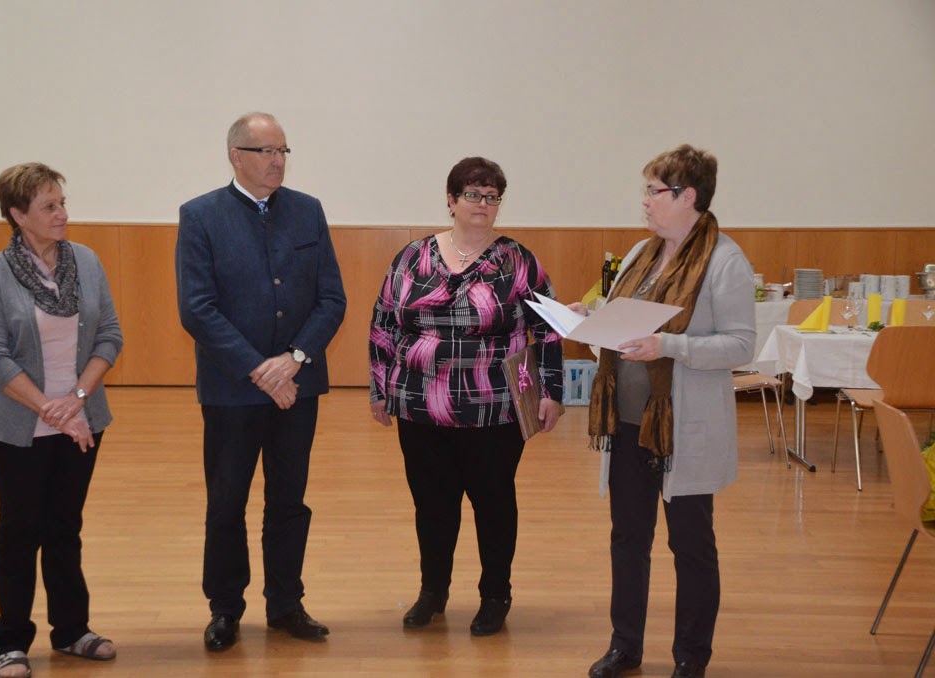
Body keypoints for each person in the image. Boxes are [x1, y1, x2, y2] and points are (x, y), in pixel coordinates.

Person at [576, 145, 754, 678]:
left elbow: (741, 346)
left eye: (654, 191)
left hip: (683, 430)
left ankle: (691, 657)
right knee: (628, 539)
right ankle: (625, 646)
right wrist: (586, 318)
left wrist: (669, 346)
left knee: (691, 546)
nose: (646, 201)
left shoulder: (725, 261)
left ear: (687, 196)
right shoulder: (641, 253)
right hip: (629, 423)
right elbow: (620, 320)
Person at [368, 156, 564, 637]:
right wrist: (379, 387)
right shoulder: (412, 257)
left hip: (494, 406)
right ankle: (432, 592)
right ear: (451, 200)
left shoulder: (518, 261)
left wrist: (552, 392)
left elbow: (550, 329)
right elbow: (384, 321)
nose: (483, 203)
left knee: (494, 504)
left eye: (492, 196)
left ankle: (495, 595)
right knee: (432, 505)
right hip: (419, 404)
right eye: (473, 194)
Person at [176, 112, 347, 650]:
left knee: (289, 500)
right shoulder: (201, 215)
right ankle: (225, 608)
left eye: (283, 151)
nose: (277, 161)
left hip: (298, 384)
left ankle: (286, 604)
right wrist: (260, 369)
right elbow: (197, 309)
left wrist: (293, 359)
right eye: (266, 151)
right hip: (232, 390)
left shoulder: (307, 211)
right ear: (236, 156)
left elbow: (331, 299)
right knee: (227, 502)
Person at [0, 163, 123, 678]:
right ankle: (10, 642)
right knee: (20, 530)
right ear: (18, 215)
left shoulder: (87, 261)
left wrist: (77, 399)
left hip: (82, 418)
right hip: (17, 425)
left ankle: (72, 631)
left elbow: (110, 336)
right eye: (49, 206)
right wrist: (49, 408)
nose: (62, 214)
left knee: (65, 527)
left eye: (62, 203)